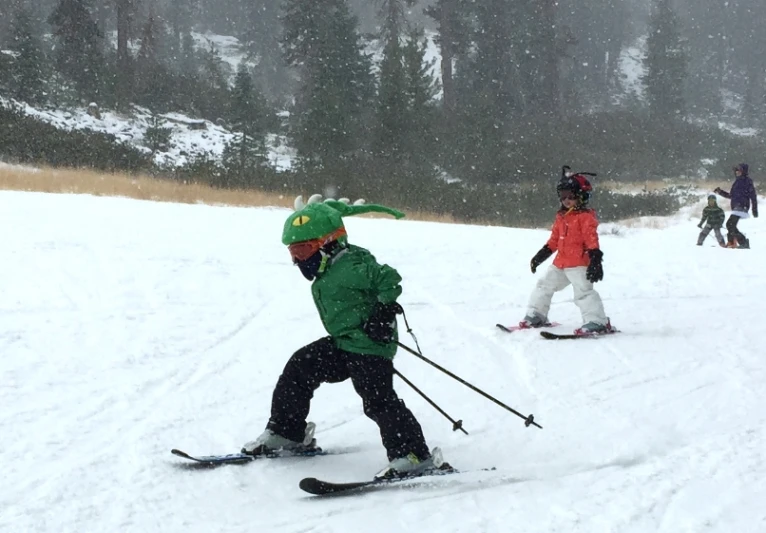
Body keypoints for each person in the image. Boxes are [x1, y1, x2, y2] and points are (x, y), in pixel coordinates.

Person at [241, 196, 442, 479]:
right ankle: (287, 433)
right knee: (300, 368)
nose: (299, 260)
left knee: (378, 401)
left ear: (328, 242)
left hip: (370, 347)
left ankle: (413, 455)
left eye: (304, 249)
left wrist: (383, 312)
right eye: (293, 252)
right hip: (344, 343)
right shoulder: (329, 267)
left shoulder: (352, 265)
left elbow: (389, 278)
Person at [520, 167, 615, 335]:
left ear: (581, 196)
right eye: (563, 196)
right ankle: (537, 315)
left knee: (583, 293)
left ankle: (597, 321)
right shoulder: (561, 217)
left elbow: (591, 241)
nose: (566, 200)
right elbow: (554, 241)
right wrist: (539, 256)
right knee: (544, 285)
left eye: (571, 196)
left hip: (579, 264)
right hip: (560, 263)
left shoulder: (585, 217)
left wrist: (595, 261)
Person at [714, 163, 758, 249]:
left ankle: (743, 242)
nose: (737, 172)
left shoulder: (747, 181)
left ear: (743, 171)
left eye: (739, 170)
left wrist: (754, 209)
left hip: (742, 206)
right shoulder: (737, 182)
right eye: (736, 170)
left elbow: (753, 196)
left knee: (730, 225)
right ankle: (731, 242)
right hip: (736, 207)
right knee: (730, 225)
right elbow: (731, 196)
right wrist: (720, 192)